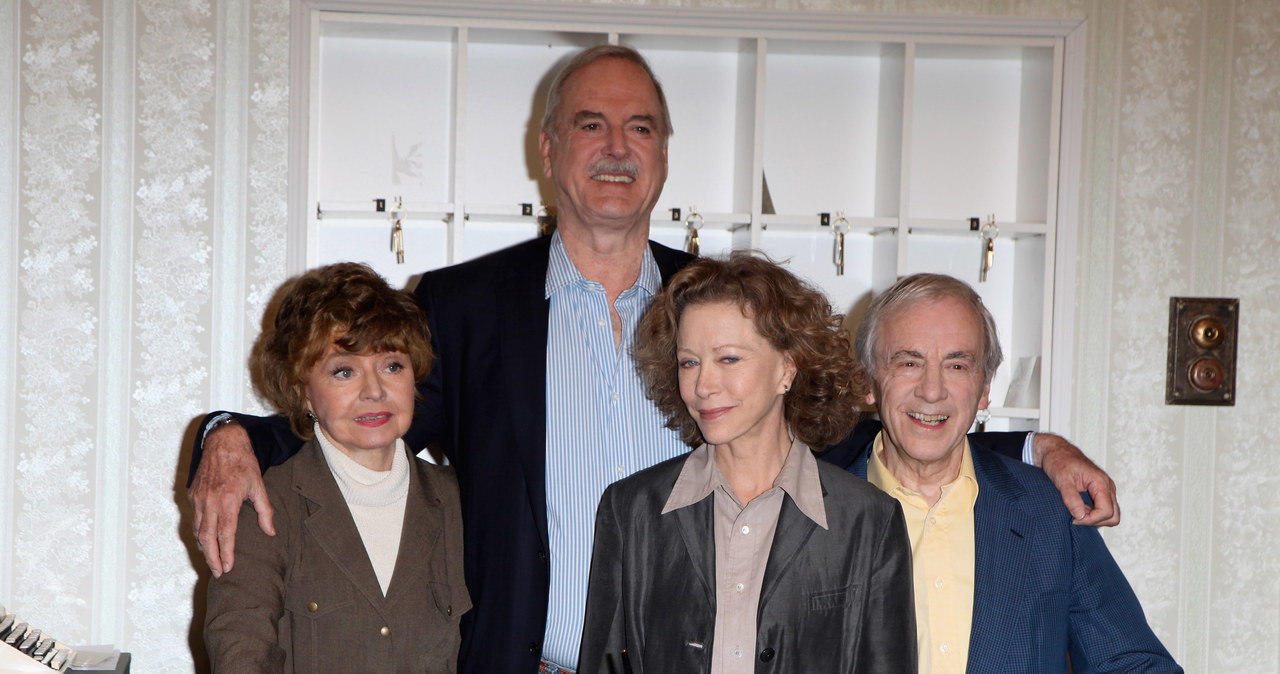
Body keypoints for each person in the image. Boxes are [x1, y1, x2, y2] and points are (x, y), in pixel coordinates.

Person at [187, 45, 1118, 673]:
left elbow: (880, 422)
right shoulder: (465, 307)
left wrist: (1029, 452)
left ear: (665, 155)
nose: (616, 148)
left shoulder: (719, 311)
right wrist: (231, 435)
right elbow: (365, 425)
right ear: (548, 148)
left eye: (640, 129)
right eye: (591, 124)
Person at [579, 254, 915, 673]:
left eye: (729, 359)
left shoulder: (868, 520)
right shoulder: (632, 509)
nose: (703, 385)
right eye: (689, 362)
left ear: (788, 368)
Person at [846, 273, 1180, 674]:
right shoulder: (811, 516)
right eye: (908, 362)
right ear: (868, 382)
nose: (932, 390)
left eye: (956, 364)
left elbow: (1135, 665)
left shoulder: (1050, 513)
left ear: (984, 388)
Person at [203, 263, 470, 672]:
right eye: (344, 371)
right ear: (302, 392)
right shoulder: (267, 505)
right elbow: (241, 646)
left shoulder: (460, 500)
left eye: (392, 366)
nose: (375, 391)